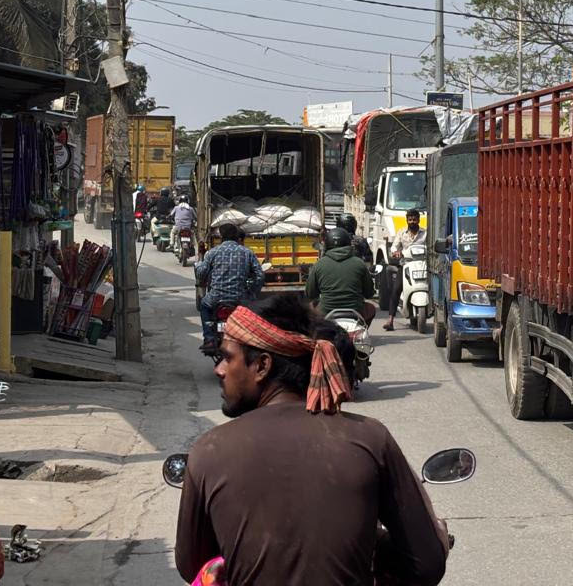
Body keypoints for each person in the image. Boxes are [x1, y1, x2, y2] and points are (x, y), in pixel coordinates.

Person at [174, 294, 448, 586]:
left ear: (262, 365)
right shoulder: (370, 438)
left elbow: (193, 565)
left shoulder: (209, 451)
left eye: (228, 357)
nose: (219, 369)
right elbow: (427, 564)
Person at [195, 223, 264, 348]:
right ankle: (250, 339)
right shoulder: (247, 253)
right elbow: (259, 276)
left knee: (204, 306)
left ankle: (209, 338)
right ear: (237, 237)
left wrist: (199, 263)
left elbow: (201, 274)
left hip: (215, 298)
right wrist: (252, 292)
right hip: (240, 299)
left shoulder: (212, 253)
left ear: (221, 236)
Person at [307, 227, 376, 325]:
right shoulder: (359, 263)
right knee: (371, 308)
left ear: (326, 245)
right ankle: (362, 330)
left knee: (310, 308)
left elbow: (310, 294)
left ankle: (318, 334)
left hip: (325, 312)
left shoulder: (319, 265)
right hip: (356, 311)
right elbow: (369, 293)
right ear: (348, 243)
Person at [383, 209, 426, 331]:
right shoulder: (402, 233)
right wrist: (395, 252)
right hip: (406, 265)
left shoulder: (425, 233)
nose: (412, 221)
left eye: (414, 219)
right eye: (410, 219)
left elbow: (431, 246)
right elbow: (394, 247)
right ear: (407, 220)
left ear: (418, 220)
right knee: (396, 289)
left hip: (422, 265)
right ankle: (390, 319)